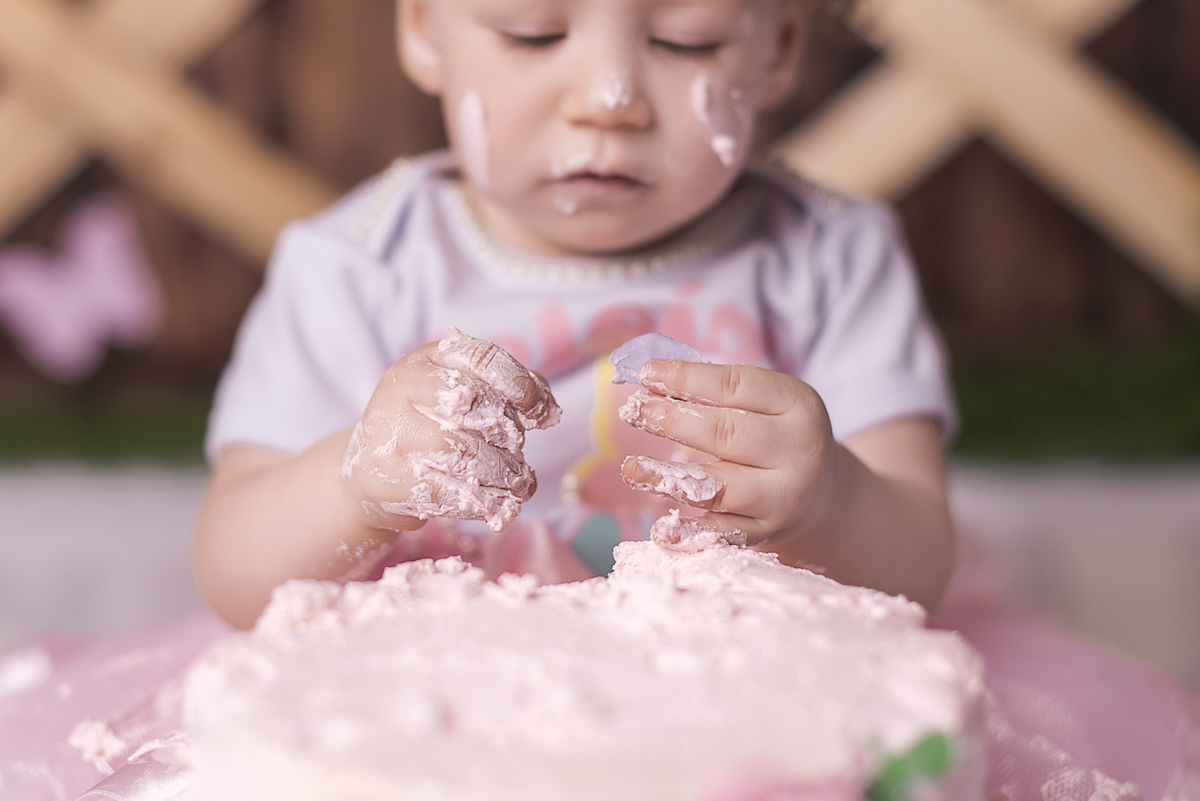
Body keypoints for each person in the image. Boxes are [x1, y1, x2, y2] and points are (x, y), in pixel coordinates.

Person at [194, 0, 958, 631]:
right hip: (427, 712)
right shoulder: (357, 266)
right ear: (426, 27)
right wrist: (352, 486)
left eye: (685, 39)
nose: (610, 98)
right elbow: (235, 573)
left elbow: (917, 568)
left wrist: (832, 501)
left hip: (726, 712)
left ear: (778, 47)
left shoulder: (829, 257)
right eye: (534, 31)